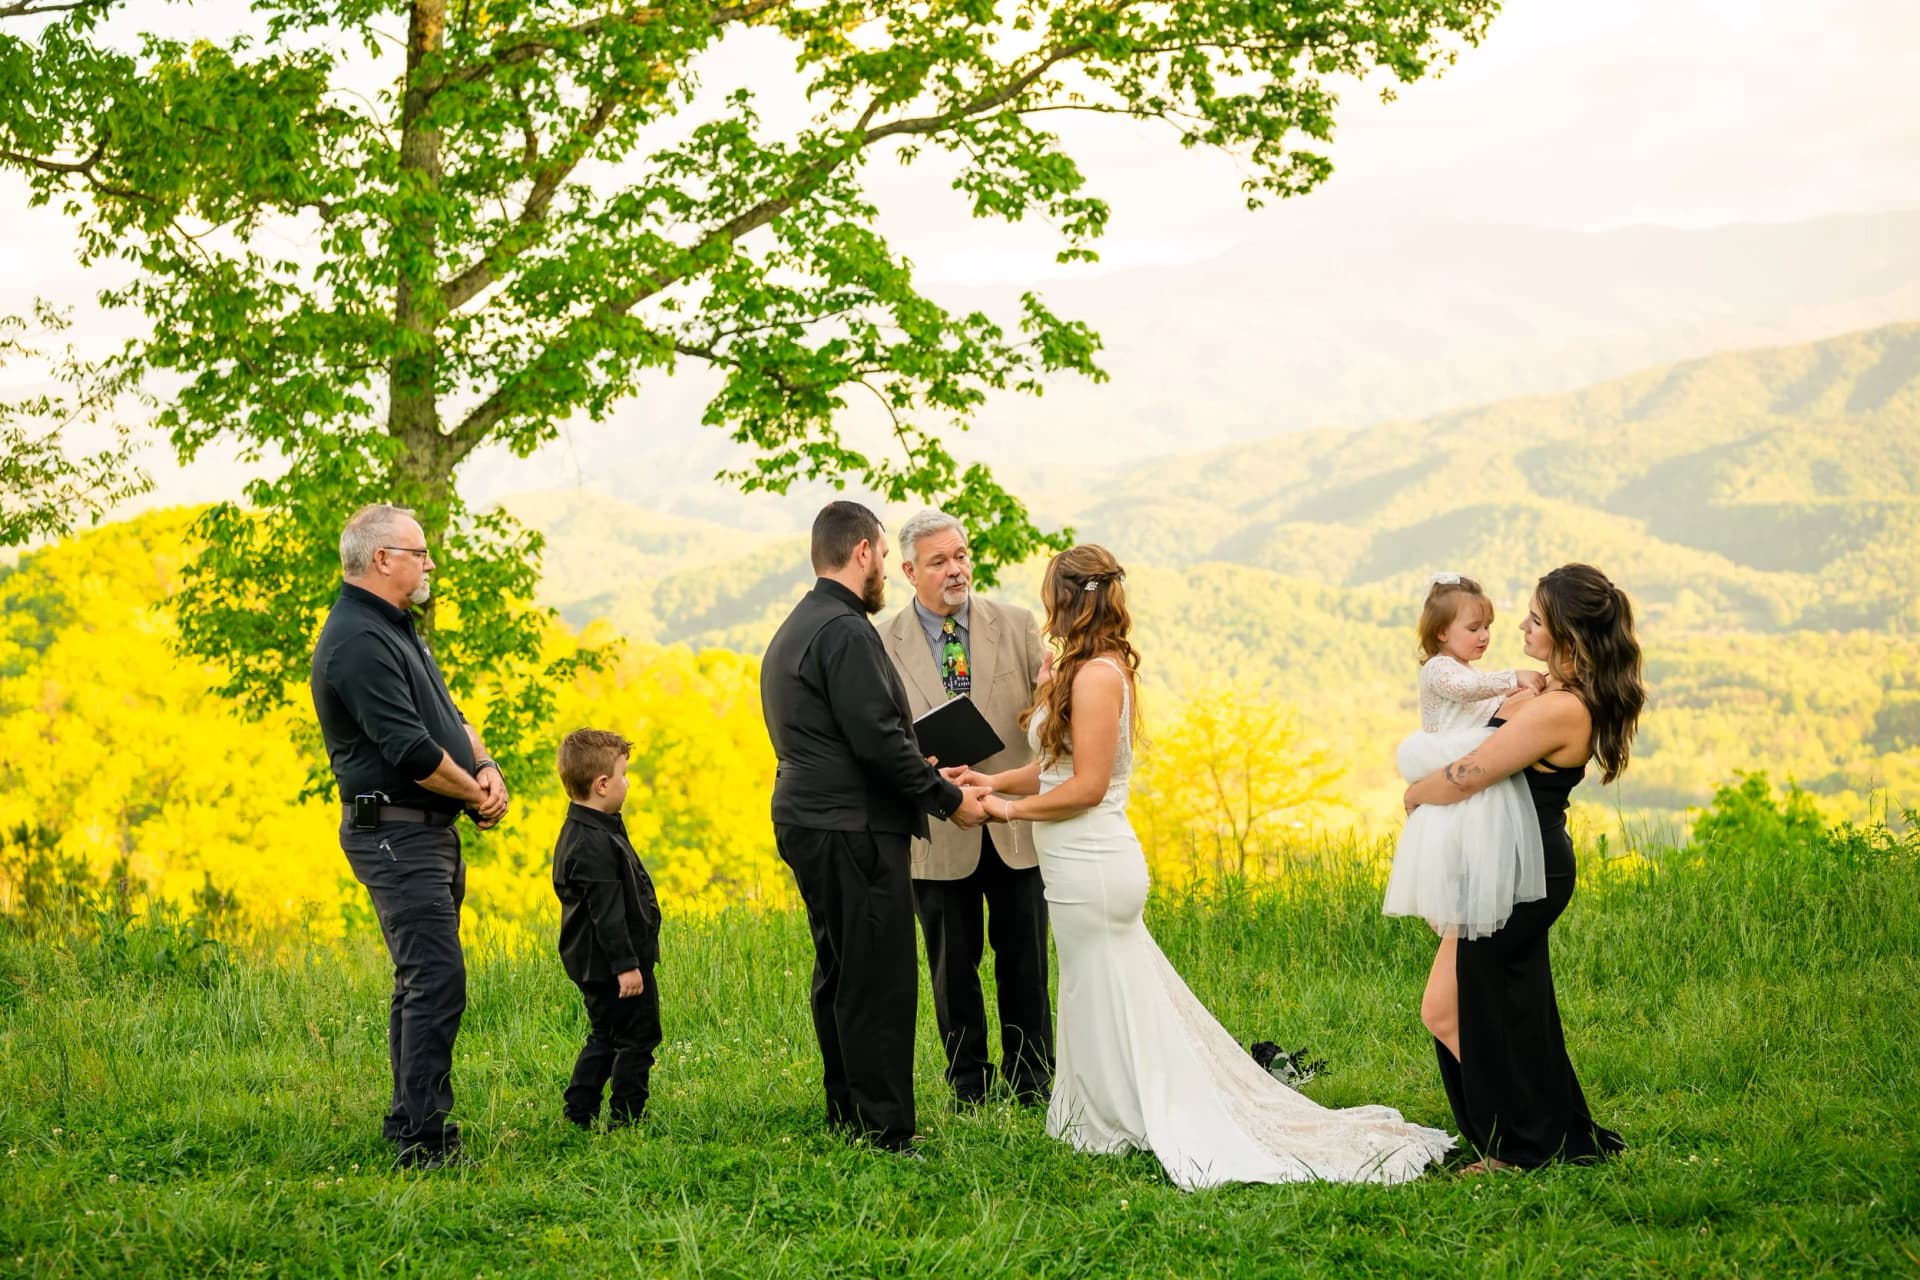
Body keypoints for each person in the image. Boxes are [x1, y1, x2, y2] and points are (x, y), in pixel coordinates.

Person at [954, 544, 1453, 1190]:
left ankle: (1125, 1116)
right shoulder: (1078, 668)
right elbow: (1052, 768)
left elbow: (1087, 786)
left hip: (1095, 861)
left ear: (1070, 598)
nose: (1044, 602)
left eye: (1051, 591)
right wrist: (992, 782)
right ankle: (1103, 1113)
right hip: (1073, 863)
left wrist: (1003, 813)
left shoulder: (1098, 676)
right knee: (1092, 988)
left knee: (1104, 986)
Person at [759, 500, 992, 1152]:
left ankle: (848, 1110)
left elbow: (848, 734)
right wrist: (947, 798)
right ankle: (885, 1131)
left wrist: (921, 764)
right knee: (879, 980)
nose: (885, 570)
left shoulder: (799, 626)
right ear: (862, 551)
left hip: (812, 818)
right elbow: (878, 741)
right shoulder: (846, 631)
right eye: (885, 556)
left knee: (841, 971)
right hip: (851, 826)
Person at [1404, 563, 1644, 1172]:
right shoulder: (1543, 694)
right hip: (1500, 865)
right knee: (1453, 1009)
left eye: (1535, 619)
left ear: (1567, 634)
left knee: (1486, 1013)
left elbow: (1472, 773)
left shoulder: (1561, 709)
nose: (1521, 627)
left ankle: (1520, 1147)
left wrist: (1415, 794)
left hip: (1522, 873)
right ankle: (1540, 1128)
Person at [310, 503, 508, 1170]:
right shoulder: (356, 641)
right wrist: (475, 793)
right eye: (419, 553)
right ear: (381, 559)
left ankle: (408, 1123)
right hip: (393, 832)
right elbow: (413, 751)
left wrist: (485, 766)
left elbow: (450, 719)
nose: (430, 564)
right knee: (436, 979)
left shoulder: (396, 627)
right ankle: (423, 1144)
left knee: (422, 980)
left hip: (427, 831)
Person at [881, 509, 1054, 1108]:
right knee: (952, 968)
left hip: (1012, 823)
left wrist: (1051, 692)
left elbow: (1048, 721)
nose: (956, 569)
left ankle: (1033, 1081)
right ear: (910, 572)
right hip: (938, 830)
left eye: (960, 555)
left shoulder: (1018, 624)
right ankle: (969, 1087)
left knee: (1026, 961)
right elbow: (881, 736)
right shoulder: (881, 643)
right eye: (939, 561)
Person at [1384, 574, 1550, 1049]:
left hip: (1467, 768)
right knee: (1448, 847)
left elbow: (1489, 704)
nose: (1485, 636)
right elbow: (1464, 690)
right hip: (1448, 759)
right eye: (1474, 628)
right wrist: (1513, 678)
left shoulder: (1469, 672)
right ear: (1441, 632)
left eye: (1488, 627)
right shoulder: (1440, 669)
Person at [551, 728, 662, 1131]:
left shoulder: (595, 827)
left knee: (607, 1034)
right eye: (623, 775)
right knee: (636, 1037)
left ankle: (579, 1113)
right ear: (601, 785)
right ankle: (626, 1118)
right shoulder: (592, 843)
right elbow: (608, 914)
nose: (627, 783)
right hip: (613, 966)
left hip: (607, 963)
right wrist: (626, 966)